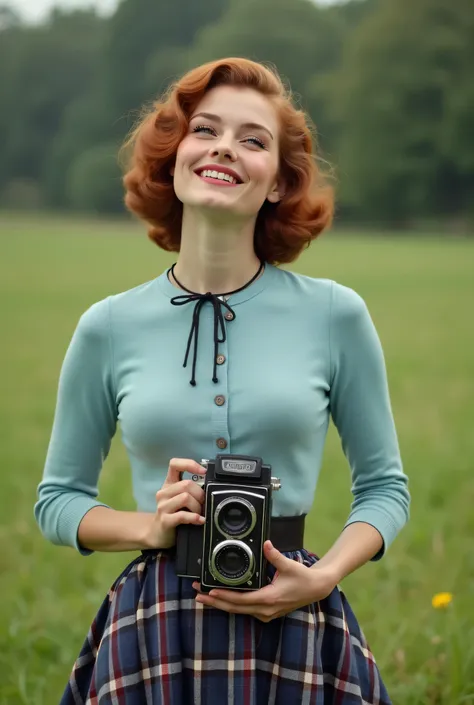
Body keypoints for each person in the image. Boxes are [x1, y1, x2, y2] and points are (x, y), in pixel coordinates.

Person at [35, 57, 410, 705]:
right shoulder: (108, 325)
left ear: (276, 184)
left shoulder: (335, 314)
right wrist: (146, 528)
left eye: (253, 139)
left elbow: (385, 489)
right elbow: (58, 499)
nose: (225, 148)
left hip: (293, 606)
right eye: (205, 129)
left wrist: (326, 577)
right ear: (174, 158)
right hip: (156, 621)